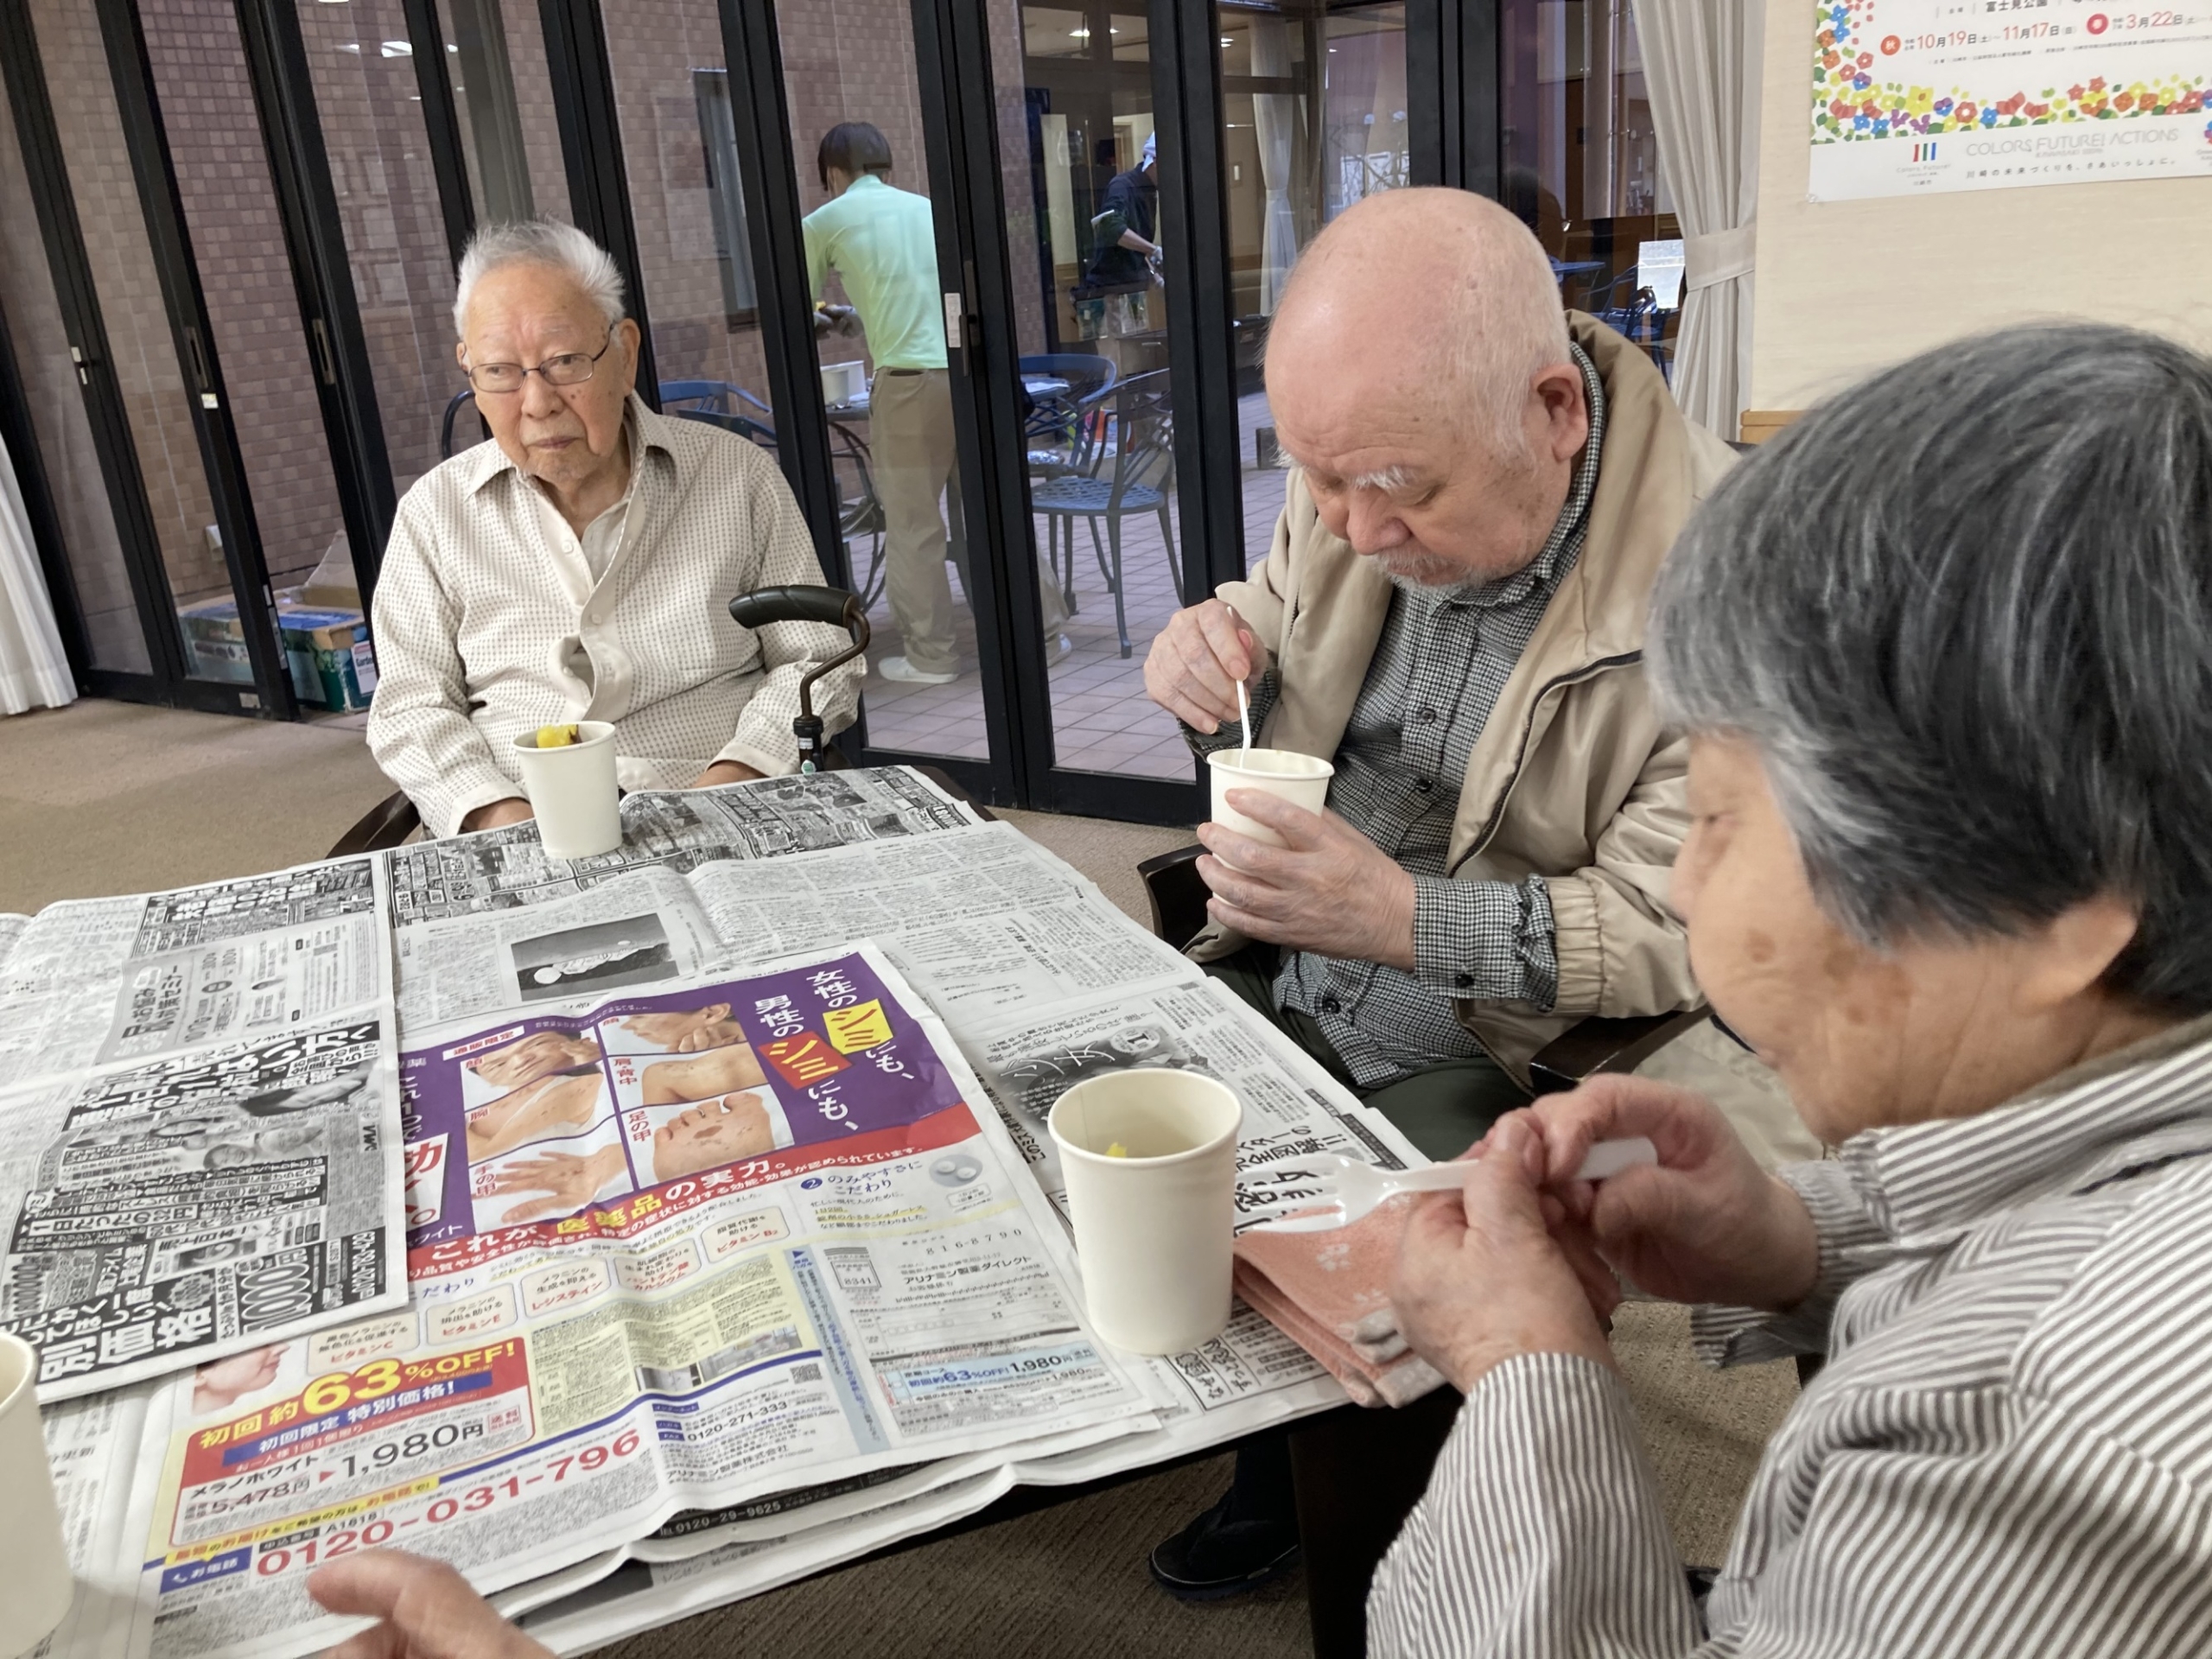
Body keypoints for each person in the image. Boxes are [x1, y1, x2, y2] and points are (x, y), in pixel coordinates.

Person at [1372, 324, 2212, 1656]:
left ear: (2059, 908)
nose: (1695, 887)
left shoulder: (2051, 1450)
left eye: (1720, 816)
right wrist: (1801, 1242)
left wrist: (1530, 1383)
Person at [1139, 185, 1758, 1599]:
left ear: (1556, 412)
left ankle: (1354, 1492)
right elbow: (1281, 644)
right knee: (1104, 1115)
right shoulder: (1366, 474)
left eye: (1396, 489)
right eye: (1316, 478)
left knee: (1374, 1222)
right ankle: (1273, 1451)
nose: (1354, 529)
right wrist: (1213, 652)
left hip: (1488, 1032)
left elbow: (1677, 932)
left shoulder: (1724, 583)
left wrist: (1405, 922)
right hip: (1277, 940)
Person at [369, 219, 861, 839]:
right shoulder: (434, 514)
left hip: (720, 802)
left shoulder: (737, 477)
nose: (538, 401)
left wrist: (740, 775)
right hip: (523, 819)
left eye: (565, 362)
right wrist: (500, 816)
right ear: (469, 370)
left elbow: (817, 657)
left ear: (624, 354)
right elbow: (411, 705)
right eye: (500, 371)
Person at [802, 123, 1071, 686]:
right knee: (993, 512)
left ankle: (931, 656)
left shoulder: (822, 222)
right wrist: (859, 318)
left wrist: (830, 319)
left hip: (907, 386)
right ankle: (1046, 635)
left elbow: (796, 311)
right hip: (972, 379)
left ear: (831, 171)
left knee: (914, 526)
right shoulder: (927, 210)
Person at [1080, 130, 1162, 374]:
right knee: (1115, 363)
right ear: (1155, 161)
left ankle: (1136, 409)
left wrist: (1152, 273)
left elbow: (1132, 244)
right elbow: (1110, 227)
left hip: (1131, 290)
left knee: (1135, 358)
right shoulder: (1123, 186)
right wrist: (1153, 249)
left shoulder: (1148, 190)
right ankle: (1112, 411)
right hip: (1108, 293)